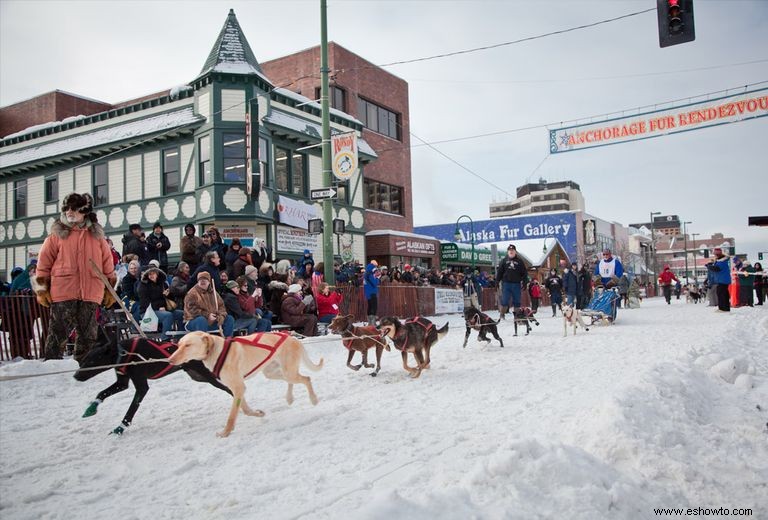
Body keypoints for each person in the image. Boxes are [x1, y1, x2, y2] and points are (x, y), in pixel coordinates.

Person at [33, 192, 116, 363]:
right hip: (63, 289)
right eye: (66, 209)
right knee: (58, 331)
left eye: (74, 209)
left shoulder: (97, 237)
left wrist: (109, 290)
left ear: (84, 211)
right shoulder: (56, 235)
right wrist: (42, 290)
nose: (69, 212)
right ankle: (52, 365)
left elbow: (108, 265)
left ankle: (84, 365)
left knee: (88, 333)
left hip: (91, 290)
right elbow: (43, 264)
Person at [137, 266, 183, 340]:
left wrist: (169, 294)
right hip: (148, 312)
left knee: (181, 314)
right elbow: (145, 303)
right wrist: (158, 307)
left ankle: (180, 337)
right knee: (168, 316)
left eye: (153, 273)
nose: (151, 275)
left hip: (164, 309)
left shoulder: (163, 284)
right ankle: (165, 339)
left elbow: (171, 299)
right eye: (149, 274)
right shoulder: (143, 286)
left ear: (157, 274)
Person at [183, 271, 234, 336]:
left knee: (229, 319)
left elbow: (221, 306)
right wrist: (207, 315)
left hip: (212, 321)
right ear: (198, 281)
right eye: (200, 280)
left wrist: (221, 316)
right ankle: (203, 342)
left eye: (205, 279)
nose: (202, 281)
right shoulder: (192, 293)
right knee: (201, 320)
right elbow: (191, 310)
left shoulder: (214, 293)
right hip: (193, 321)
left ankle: (227, 342)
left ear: (209, 281)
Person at [496, 244, 529, 316]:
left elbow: (524, 273)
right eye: (510, 251)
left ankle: (517, 315)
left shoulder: (520, 261)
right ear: (507, 252)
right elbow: (500, 272)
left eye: (512, 251)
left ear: (515, 252)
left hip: (516, 284)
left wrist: (525, 282)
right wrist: (497, 281)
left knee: (517, 300)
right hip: (506, 284)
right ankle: (502, 315)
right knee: (504, 300)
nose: (511, 252)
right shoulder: (504, 261)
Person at [705, 247, 731, 312]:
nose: (714, 255)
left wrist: (709, 267)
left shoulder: (722, 261)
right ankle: (725, 308)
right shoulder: (721, 260)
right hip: (722, 280)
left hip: (722, 280)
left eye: (715, 254)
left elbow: (717, 269)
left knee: (721, 294)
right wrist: (710, 266)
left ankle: (723, 308)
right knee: (723, 294)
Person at [364, 260, 381, 326]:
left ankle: (370, 322)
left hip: (368, 292)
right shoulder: (370, 273)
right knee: (374, 307)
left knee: (370, 306)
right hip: (372, 292)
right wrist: (377, 278)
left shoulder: (367, 272)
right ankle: (372, 323)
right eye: (376, 266)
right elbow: (374, 283)